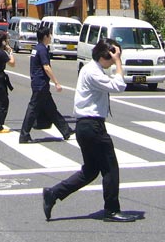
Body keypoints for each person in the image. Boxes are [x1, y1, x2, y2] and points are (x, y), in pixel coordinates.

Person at [42, 39, 139, 223]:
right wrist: (118, 63)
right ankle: (111, 210)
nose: (115, 61)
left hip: (86, 127)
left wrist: (115, 61)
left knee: (91, 171)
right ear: (105, 55)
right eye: (113, 57)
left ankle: (53, 193)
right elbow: (119, 86)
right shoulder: (93, 72)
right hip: (92, 126)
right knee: (110, 168)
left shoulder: (92, 69)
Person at [19, 25, 72, 144]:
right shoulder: (42, 49)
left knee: (51, 109)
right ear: (45, 36)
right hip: (41, 84)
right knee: (32, 109)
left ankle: (66, 130)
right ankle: (24, 134)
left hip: (38, 83)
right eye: (49, 35)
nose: (51, 37)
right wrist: (56, 83)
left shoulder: (36, 48)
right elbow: (46, 67)